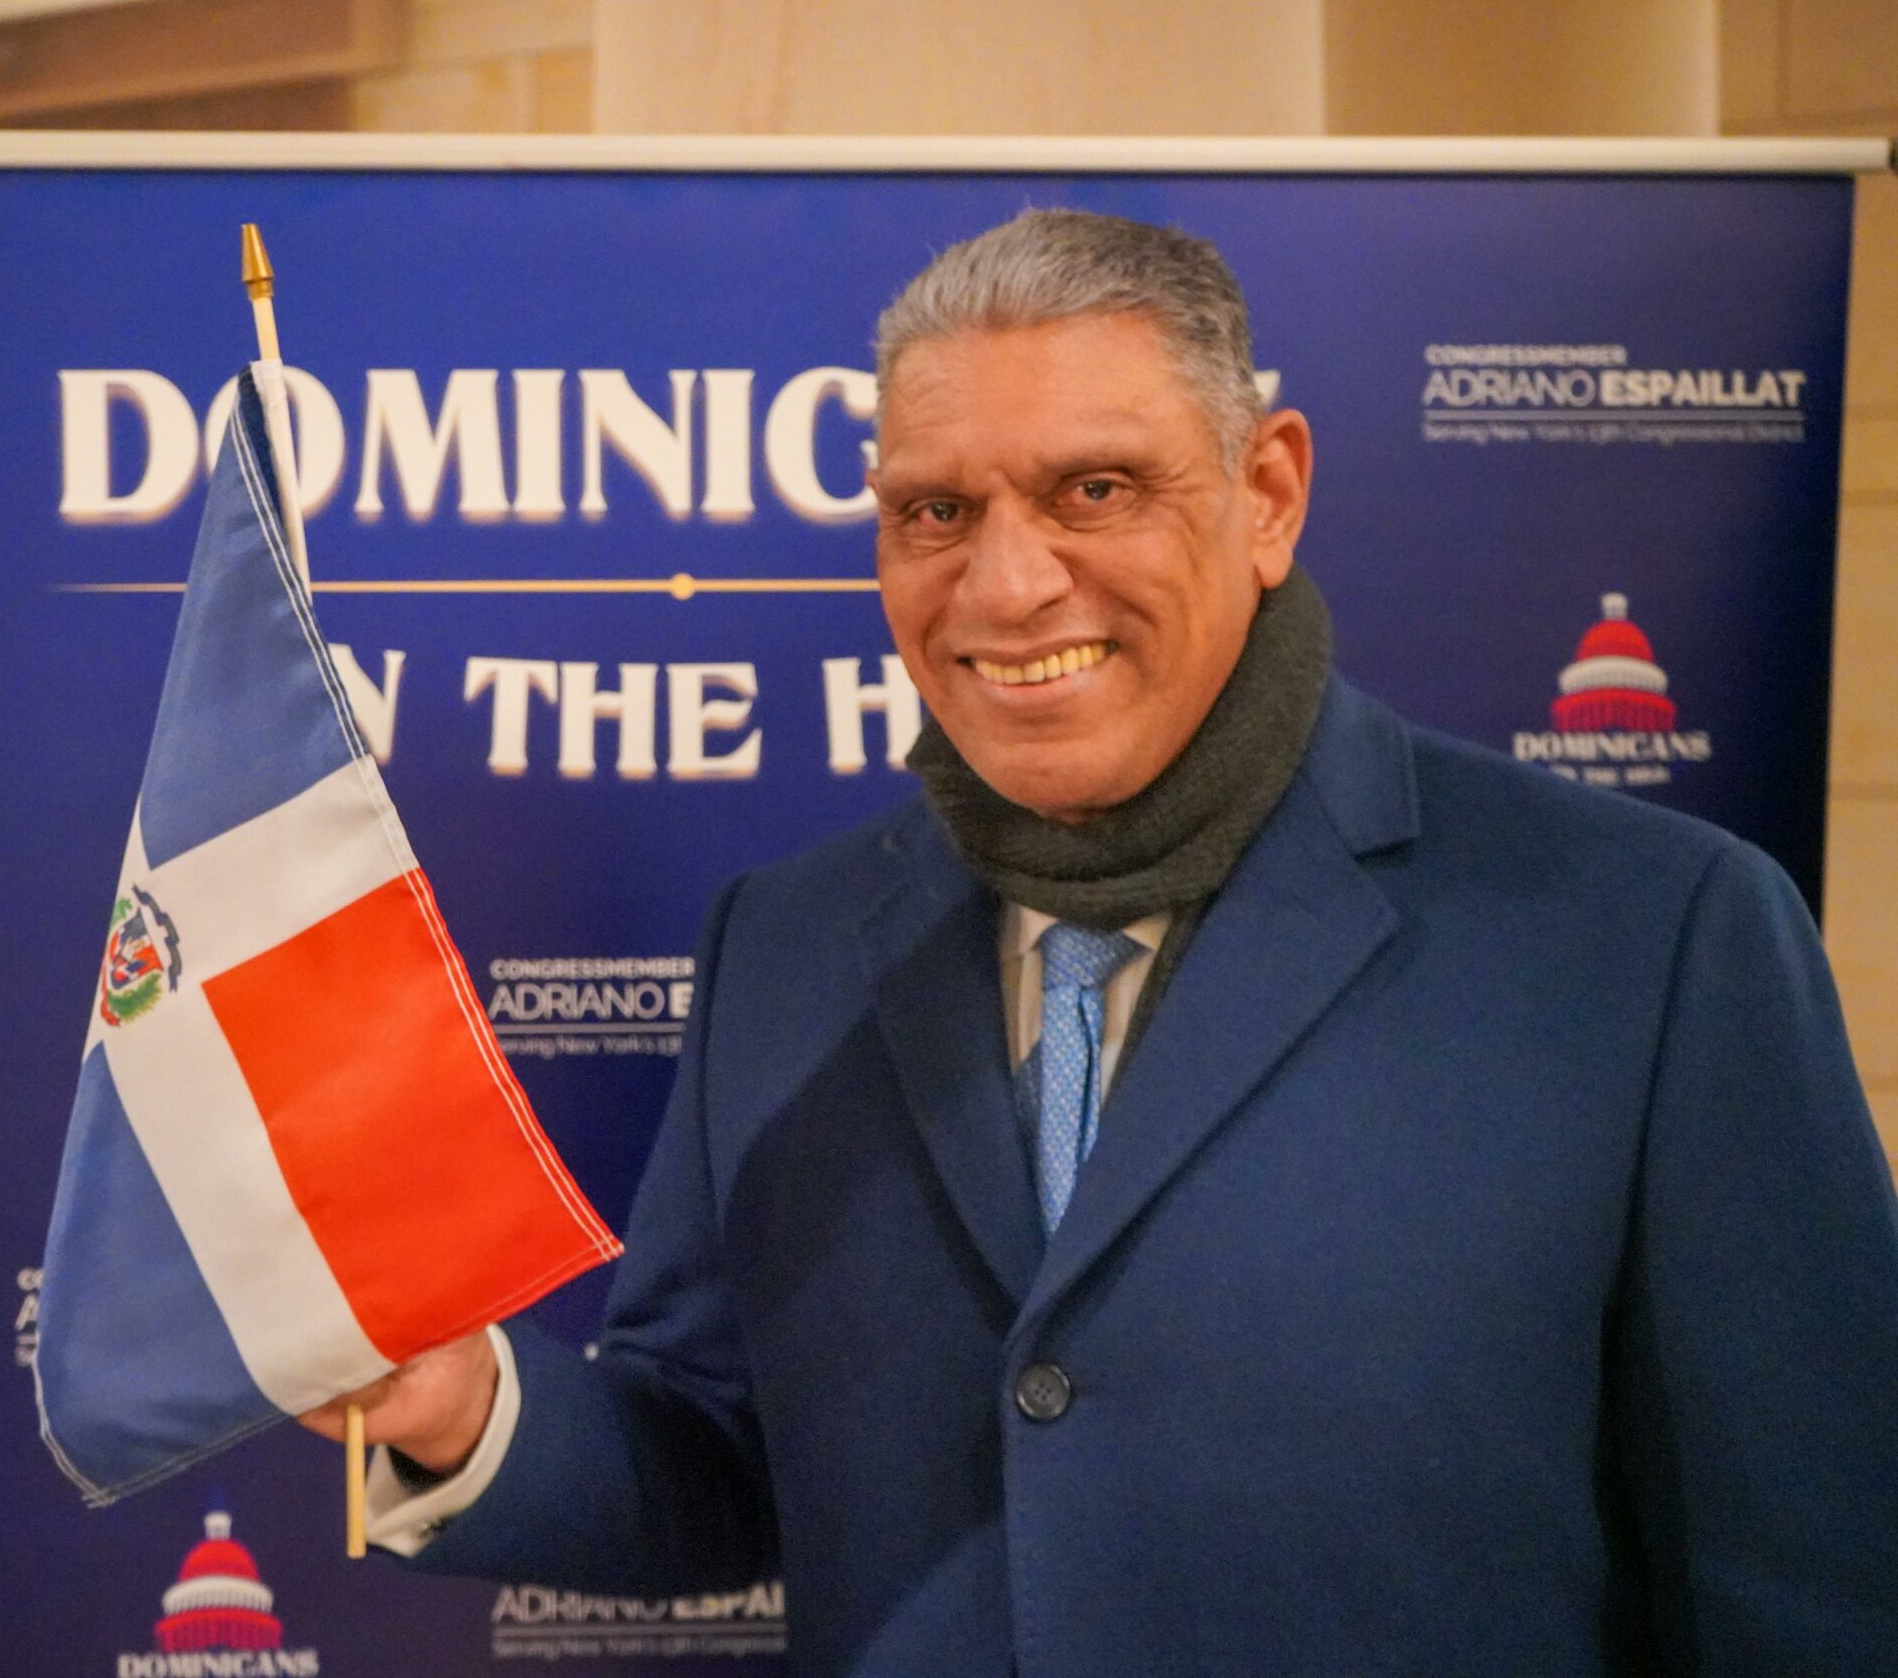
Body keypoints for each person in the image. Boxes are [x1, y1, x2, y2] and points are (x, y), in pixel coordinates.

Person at [299, 208, 1898, 1675]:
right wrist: (465, 1406)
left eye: (1096, 491)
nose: (1005, 585)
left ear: (1267, 494)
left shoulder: (1652, 936)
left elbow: (1811, 1586)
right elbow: (714, 1455)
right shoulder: (785, 942)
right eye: (936, 511)